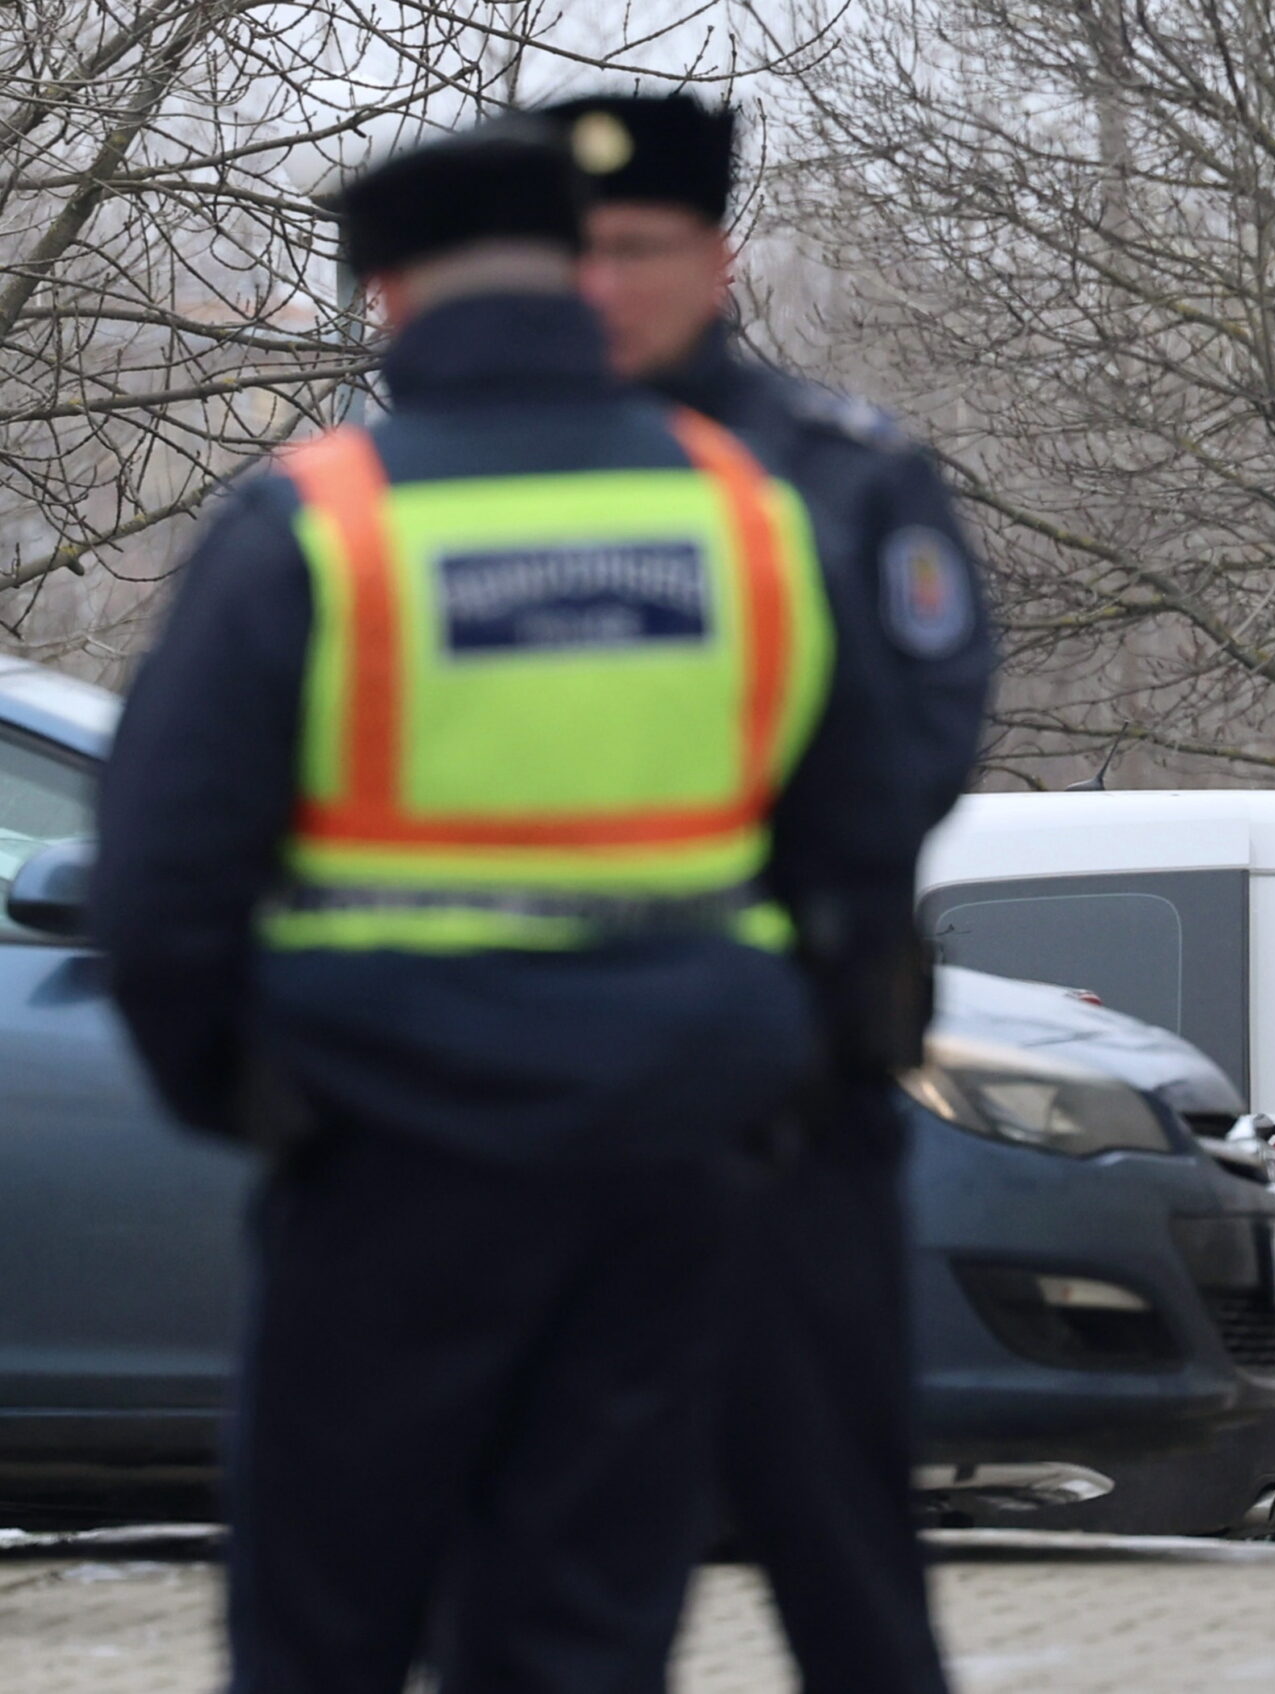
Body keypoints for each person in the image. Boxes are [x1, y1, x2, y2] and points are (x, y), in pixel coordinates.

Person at [91, 122, 876, 1693]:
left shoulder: (317, 526)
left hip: (391, 1148)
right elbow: (849, 840)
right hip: (668, 1159)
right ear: (580, 282)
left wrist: (244, 1091)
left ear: (389, 293)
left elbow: (162, 880)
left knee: (331, 1614)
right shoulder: (745, 510)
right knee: (586, 1619)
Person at [533, 90, 992, 1693]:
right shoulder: (504, 478)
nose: (604, 285)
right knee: (575, 1557)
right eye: (573, 253)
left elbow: (912, 751)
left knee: (837, 1536)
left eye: (639, 250)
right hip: (562, 1104)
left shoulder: (839, 473)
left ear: (716, 259)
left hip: (788, 1096)